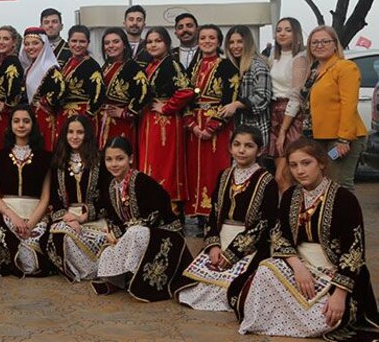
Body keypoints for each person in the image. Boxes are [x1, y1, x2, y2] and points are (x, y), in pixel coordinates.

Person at [237, 139, 379, 338]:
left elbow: (354, 252)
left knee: (327, 318)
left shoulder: (344, 199)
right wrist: (298, 267)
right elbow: (279, 236)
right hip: (301, 270)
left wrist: (339, 295)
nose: (300, 171)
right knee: (265, 270)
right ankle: (292, 317)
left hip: (334, 275)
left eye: (306, 163)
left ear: (321, 163)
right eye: (293, 165)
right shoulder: (290, 196)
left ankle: (295, 318)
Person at [177, 126, 278, 312]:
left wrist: (232, 253)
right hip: (221, 238)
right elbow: (214, 214)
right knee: (191, 286)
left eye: (248, 146)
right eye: (237, 145)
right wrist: (213, 245)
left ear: (260, 150)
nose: (241, 150)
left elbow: (263, 224)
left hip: (249, 245)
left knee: (232, 287)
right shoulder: (224, 175)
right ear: (230, 148)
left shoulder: (267, 181)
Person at [93, 136, 193, 301]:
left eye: (120, 159)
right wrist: (114, 234)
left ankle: (133, 277)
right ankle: (117, 279)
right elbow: (112, 217)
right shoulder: (111, 186)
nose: (114, 164)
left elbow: (154, 216)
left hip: (163, 234)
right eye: (109, 159)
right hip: (134, 235)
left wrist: (122, 233)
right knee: (108, 248)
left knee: (135, 233)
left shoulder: (143, 182)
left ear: (131, 159)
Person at [41, 115, 110, 282]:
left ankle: (101, 269)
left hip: (94, 217)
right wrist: (67, 217)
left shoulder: (99, 160)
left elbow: (106, 194)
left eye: (80, 132)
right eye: (71, 132)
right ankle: (86, 271)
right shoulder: (58, 161)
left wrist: (85, 216)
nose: (74, 136)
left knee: (105, 240)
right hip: (67, 217)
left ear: (87, 135)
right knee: (60, 235)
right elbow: (54, 197)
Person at [0, 105, 52, 277]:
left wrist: (30, 224)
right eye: (16, 121)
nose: (21, 125)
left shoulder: (45, 158)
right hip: (7, 212)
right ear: (10, 125)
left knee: (32, 261)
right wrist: (12, 216)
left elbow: (45, 197)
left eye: (26, 121)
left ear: (33, 125)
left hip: (35, 214)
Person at [185, 25, 240, 226]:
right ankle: (198, 216)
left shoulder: (227, 66)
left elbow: (230, 97)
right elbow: (185, 95)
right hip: (194, 126)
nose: (207, 41)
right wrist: (191, 124)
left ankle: (216, 214)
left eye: (211, 38)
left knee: (215, 168)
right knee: (194, 170)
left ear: (218, 42)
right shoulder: (193, 67)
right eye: (203, 38)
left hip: (217, 126)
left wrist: (212, 126)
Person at [302, 25, 367, 190]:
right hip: (318, 138)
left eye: (325, 41)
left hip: (340, 140)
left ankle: (346, 209)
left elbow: (349, 104)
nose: (319, 45)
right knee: (323, 185)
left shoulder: (345, 67)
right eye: (314, 42)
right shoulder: (314, 70)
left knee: (339, 186)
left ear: (335, 44)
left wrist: (343, 140)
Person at [138, 27, 194, 210]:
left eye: (158, 41)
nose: (153, 45)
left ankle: (169, 205)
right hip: (149, 120)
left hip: (165, 122)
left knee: (163, 162)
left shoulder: (172, 64)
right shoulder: (150, 65)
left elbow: (186, 91)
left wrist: (167, 107)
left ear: (167, 43)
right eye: (149, 42)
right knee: (149, 161)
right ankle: (150, 204)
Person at [269, 17, 308, 192]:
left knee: (283, 176)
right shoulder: (274, 56)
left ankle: (290, 209)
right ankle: (286, 207)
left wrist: (284, 130)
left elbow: (296, 97)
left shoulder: (300, 58)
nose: (282, 34)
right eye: (279, 30)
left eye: (288, 30)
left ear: (296, 33)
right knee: (280, 177)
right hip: (274, 113)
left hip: (291, 116)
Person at [221, 25, 272, 150]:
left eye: (240, 42)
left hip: (254, 128)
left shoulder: (257, 66)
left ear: (248, 43)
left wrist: (237, 104)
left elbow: (263, 97)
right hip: (238, 127)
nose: (235, 46)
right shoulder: (232, 66)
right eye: (231, 42)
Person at [96, 27, 147, 149]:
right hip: (102, 120)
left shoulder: (132, 67)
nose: (111, 46)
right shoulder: (105, 67)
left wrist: (125, 113)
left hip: (121, 123)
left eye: (115, 42)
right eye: (107, 43)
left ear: (124, 45)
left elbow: (144, 93)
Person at [22, 27, 65, 153]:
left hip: (46, 120)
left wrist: (42, 103)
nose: (30, 47)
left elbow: (60, 91)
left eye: (35, 43)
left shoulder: (50, 67)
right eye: (27, 44)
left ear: (44, 45)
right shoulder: (28, 69)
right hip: (31, 118)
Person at [57, 25, 103, 125]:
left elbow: (98, 95)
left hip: (82, 115)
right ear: (68, 42)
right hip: (63, 114)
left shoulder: (92, 66)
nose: (77, 45)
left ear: (88, 43)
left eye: (82, 41)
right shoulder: (67, 62)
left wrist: (87, 116)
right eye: (74, 41)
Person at [0, 26, 25, 153]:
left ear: (14, 42)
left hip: (6, 117)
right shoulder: (2, 61)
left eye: (5, 39)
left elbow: (14, 91)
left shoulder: (12, 62)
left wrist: (6, 107)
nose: (1, 42)